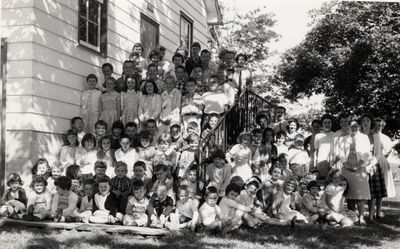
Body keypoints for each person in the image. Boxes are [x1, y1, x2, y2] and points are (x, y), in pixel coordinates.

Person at [335, 119, 371, 224]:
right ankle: (352, 216)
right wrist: (345, 164)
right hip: (346, 167)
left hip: (360, 168)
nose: (353, 128)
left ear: (359, 127)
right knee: (349, 194)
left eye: (355, 126)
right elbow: (340, 153)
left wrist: (358, 165)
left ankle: (361, 217)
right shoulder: (343, 139)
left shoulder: (364, 138)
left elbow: (366, 153)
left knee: (360, 194)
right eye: (351, 126)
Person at [360, 114, 388, 221]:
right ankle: (359, 214)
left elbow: (378, 154)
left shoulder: (375, 135)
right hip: (361, 165)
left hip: (373, 165)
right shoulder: (357, 135)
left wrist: (370, 165)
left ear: (371, 123)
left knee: (373, 193)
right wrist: (363, 165)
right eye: (363, 121)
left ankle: (371, 215)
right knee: (361, 191)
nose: (366, 122)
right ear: (361, 123)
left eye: (368, 120)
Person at [373, 118, 396, 199]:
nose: (377, 127)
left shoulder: (385, 138)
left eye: (379, 125)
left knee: (383, 182)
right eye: (375, 125)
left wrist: (380, 158)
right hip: (371, 160)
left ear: (382, 126)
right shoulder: (370, 135)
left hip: (382, 160)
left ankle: (380, 198)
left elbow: (387, 151)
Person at [314, 114, 335, 178]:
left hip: (332, 162)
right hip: (321, 162)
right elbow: (316, 151)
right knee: (321, 182)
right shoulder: (318, 136)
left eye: (329, 122)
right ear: (322, 124)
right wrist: (315, 165)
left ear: (331, 123)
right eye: (325, 123)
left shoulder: (335, 135)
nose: (327, 125)